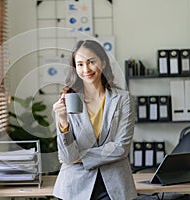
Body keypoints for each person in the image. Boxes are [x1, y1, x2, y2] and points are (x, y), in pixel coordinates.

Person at [52, 40, 137, 200]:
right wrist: (62, 120)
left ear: (103, 63)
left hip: (115, 186)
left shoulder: (123, 99)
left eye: (91, 62)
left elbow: (121, 148)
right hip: (74, 187)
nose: (86, 69)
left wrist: (80, 157)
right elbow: (67, 156)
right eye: (80, 64)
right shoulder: (68, 100)